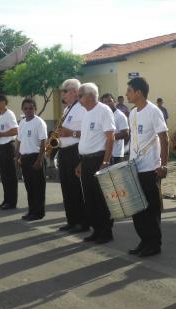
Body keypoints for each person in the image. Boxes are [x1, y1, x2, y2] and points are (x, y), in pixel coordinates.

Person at [126, 77, 169, 257]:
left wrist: (163, 165)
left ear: (139, 92)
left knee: (151, 209)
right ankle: (144, 241)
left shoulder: (154, 111)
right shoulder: (133, 113)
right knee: (137, 208)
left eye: (129, 90)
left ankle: (154, 244)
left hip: (150, 168)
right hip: (134, 167)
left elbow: (164, 138)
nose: (127, 93)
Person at [75, 83, 116, 244]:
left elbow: (110, 137)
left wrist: (105, 161)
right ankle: (96, 230)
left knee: (101, 199)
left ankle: (106, 232)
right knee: (90, 198)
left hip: (99, 159)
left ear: (91, 95)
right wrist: (80, 163)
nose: (78, 99)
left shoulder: (103, 110)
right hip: (86, 160)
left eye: (80, 95)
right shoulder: (86, 113)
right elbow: (86, 140)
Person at [56, 79, 88, 233]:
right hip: (64, 151)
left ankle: (82, 222)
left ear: (75, 92)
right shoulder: (67, 109)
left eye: (65, 91)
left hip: (75, 151)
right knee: (66, 188)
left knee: (76, 188)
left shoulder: (81, 109)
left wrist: (70, 133)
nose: (62, 94)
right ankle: (71, 220)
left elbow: (88, 134)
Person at [15, 98, 48, 221]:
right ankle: (31, 211)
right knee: (29, 187)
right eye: (26, 108)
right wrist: (17, 157)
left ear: (35, 109)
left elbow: (43, 142)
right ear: (22, 109)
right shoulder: (22, 122)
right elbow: (19, 141)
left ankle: (39, 213)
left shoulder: (39, 122)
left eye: (31, 108)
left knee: (38, 187)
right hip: (25, 158)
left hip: (36, 157)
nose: (28, 110)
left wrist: (39, 160)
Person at [0, 95, 19, 210]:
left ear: (3, 103)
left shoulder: (9, 114)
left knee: (10, 176)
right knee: (4, 176)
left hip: (8, 147)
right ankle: (6, 200)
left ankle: (12, 202)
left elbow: (15, 130)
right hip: (1, 147)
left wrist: (1, 134)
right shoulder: (0, 115)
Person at [101, 93, 129, 164]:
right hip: (104, 153)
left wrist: (110, 137)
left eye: (109, 101)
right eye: (105, 102)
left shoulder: (120, 115)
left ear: (114, 102)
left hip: (116, 154)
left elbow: (125, 133)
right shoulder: (102, 115)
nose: (107, 103)